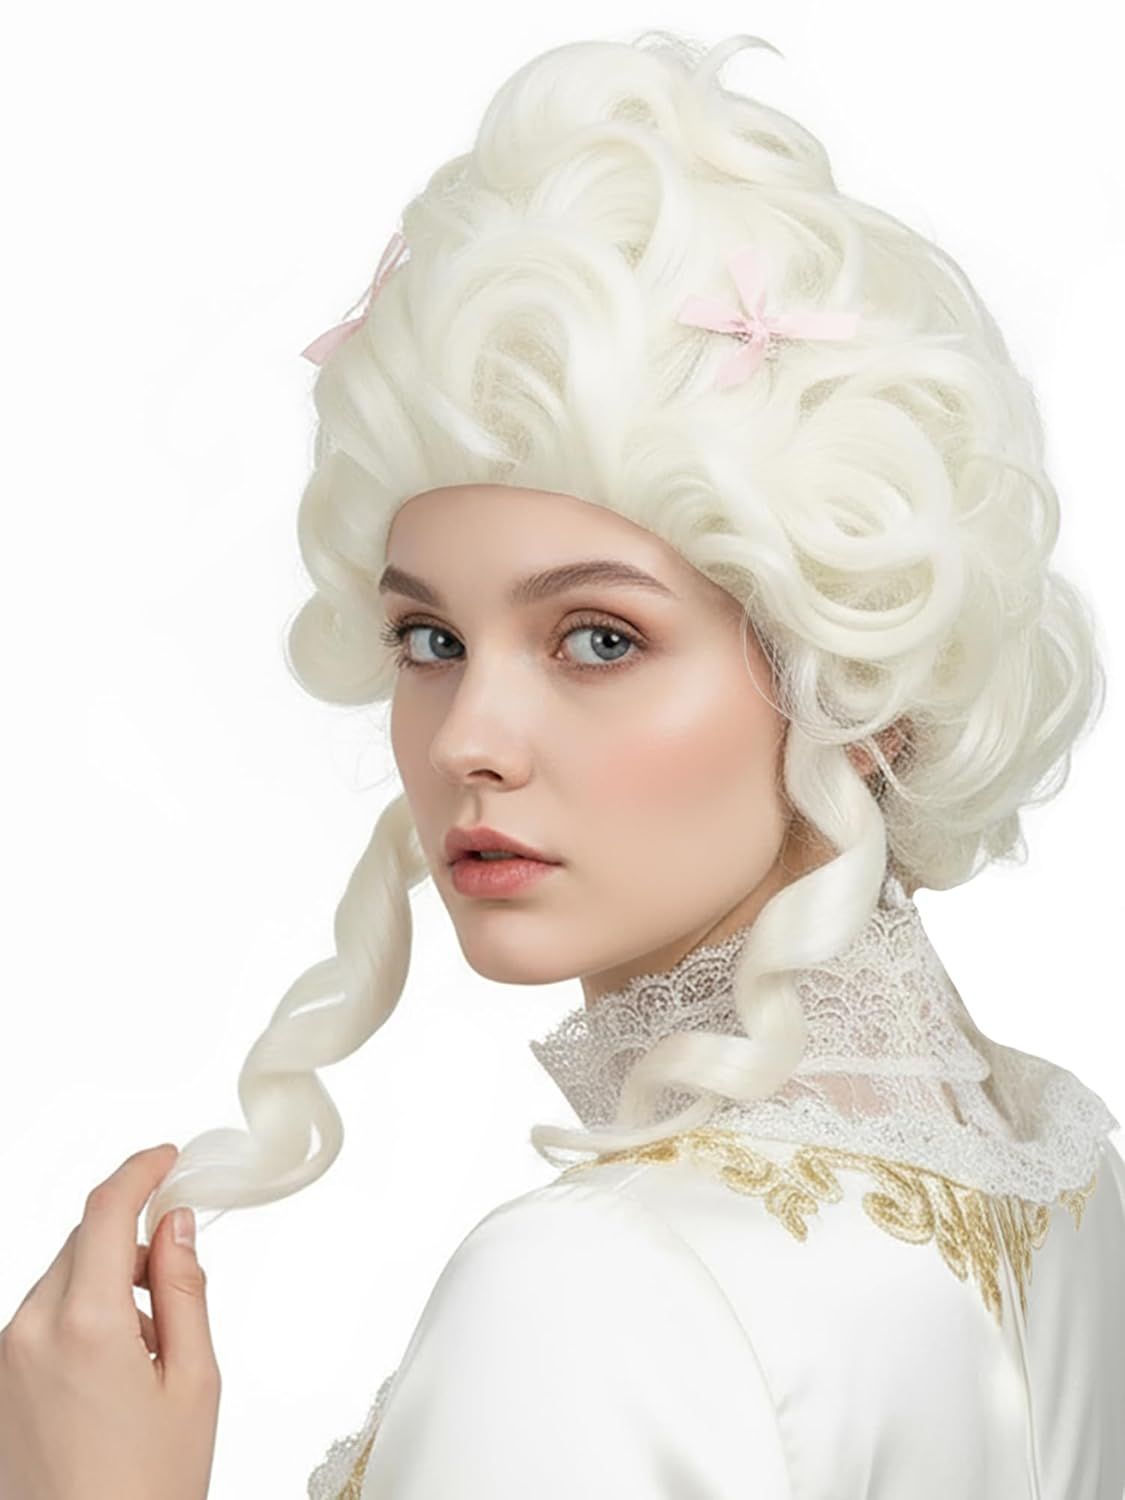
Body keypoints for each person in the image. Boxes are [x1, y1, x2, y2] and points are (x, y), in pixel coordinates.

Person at [2, 27, 1121, 1500]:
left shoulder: (588, 1289)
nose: (466, 738)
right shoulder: (1066, 1169)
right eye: (429, 639)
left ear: (856, 688)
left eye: (598, 639)